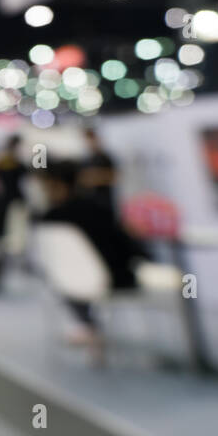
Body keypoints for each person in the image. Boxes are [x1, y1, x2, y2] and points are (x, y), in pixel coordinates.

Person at [40, 161, 151, 347]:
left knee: (74, 279)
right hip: (113, 279)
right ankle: (90, 327)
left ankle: (88, 326)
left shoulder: (50, 218)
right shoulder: (97, 209)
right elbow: (126, 247)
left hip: (68, 282)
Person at [77, 127, 118, 214]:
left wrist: (94, 178)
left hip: (104, 202)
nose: (90, 143)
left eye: (91, 139)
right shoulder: (86, 159)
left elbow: (113, 177)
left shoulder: (105, 158)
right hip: (91, 201)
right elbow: (82, 179)